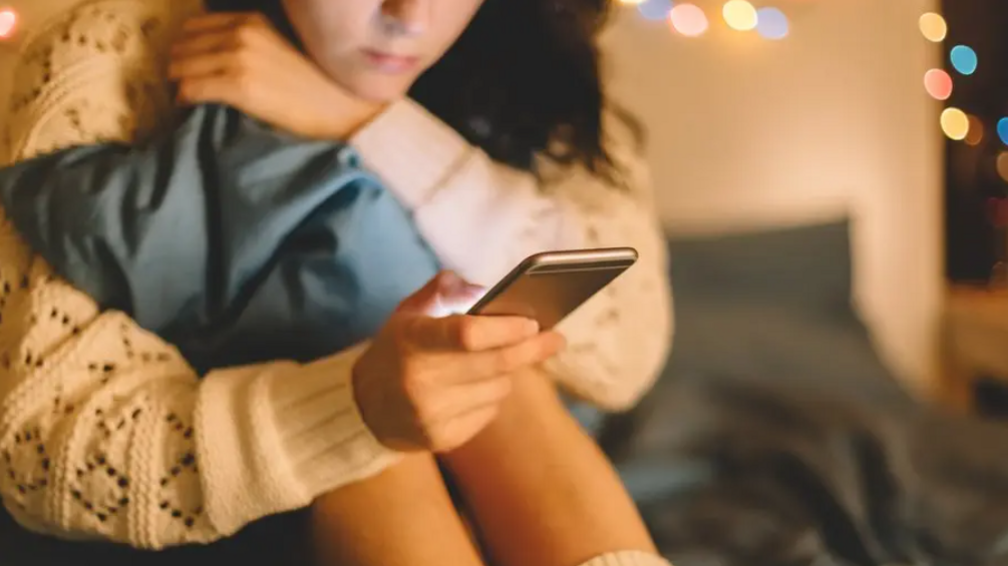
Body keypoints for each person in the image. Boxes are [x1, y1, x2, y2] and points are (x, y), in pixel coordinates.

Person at [0, 1, 673, 565]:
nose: (409, 16)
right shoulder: (112, 51)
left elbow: (627, 351)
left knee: (489, 359)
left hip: (505, 463)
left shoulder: (536, 45)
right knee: (383, 440)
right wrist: (351, 405)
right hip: (243, 493)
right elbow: (39, 453)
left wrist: (361, 119)